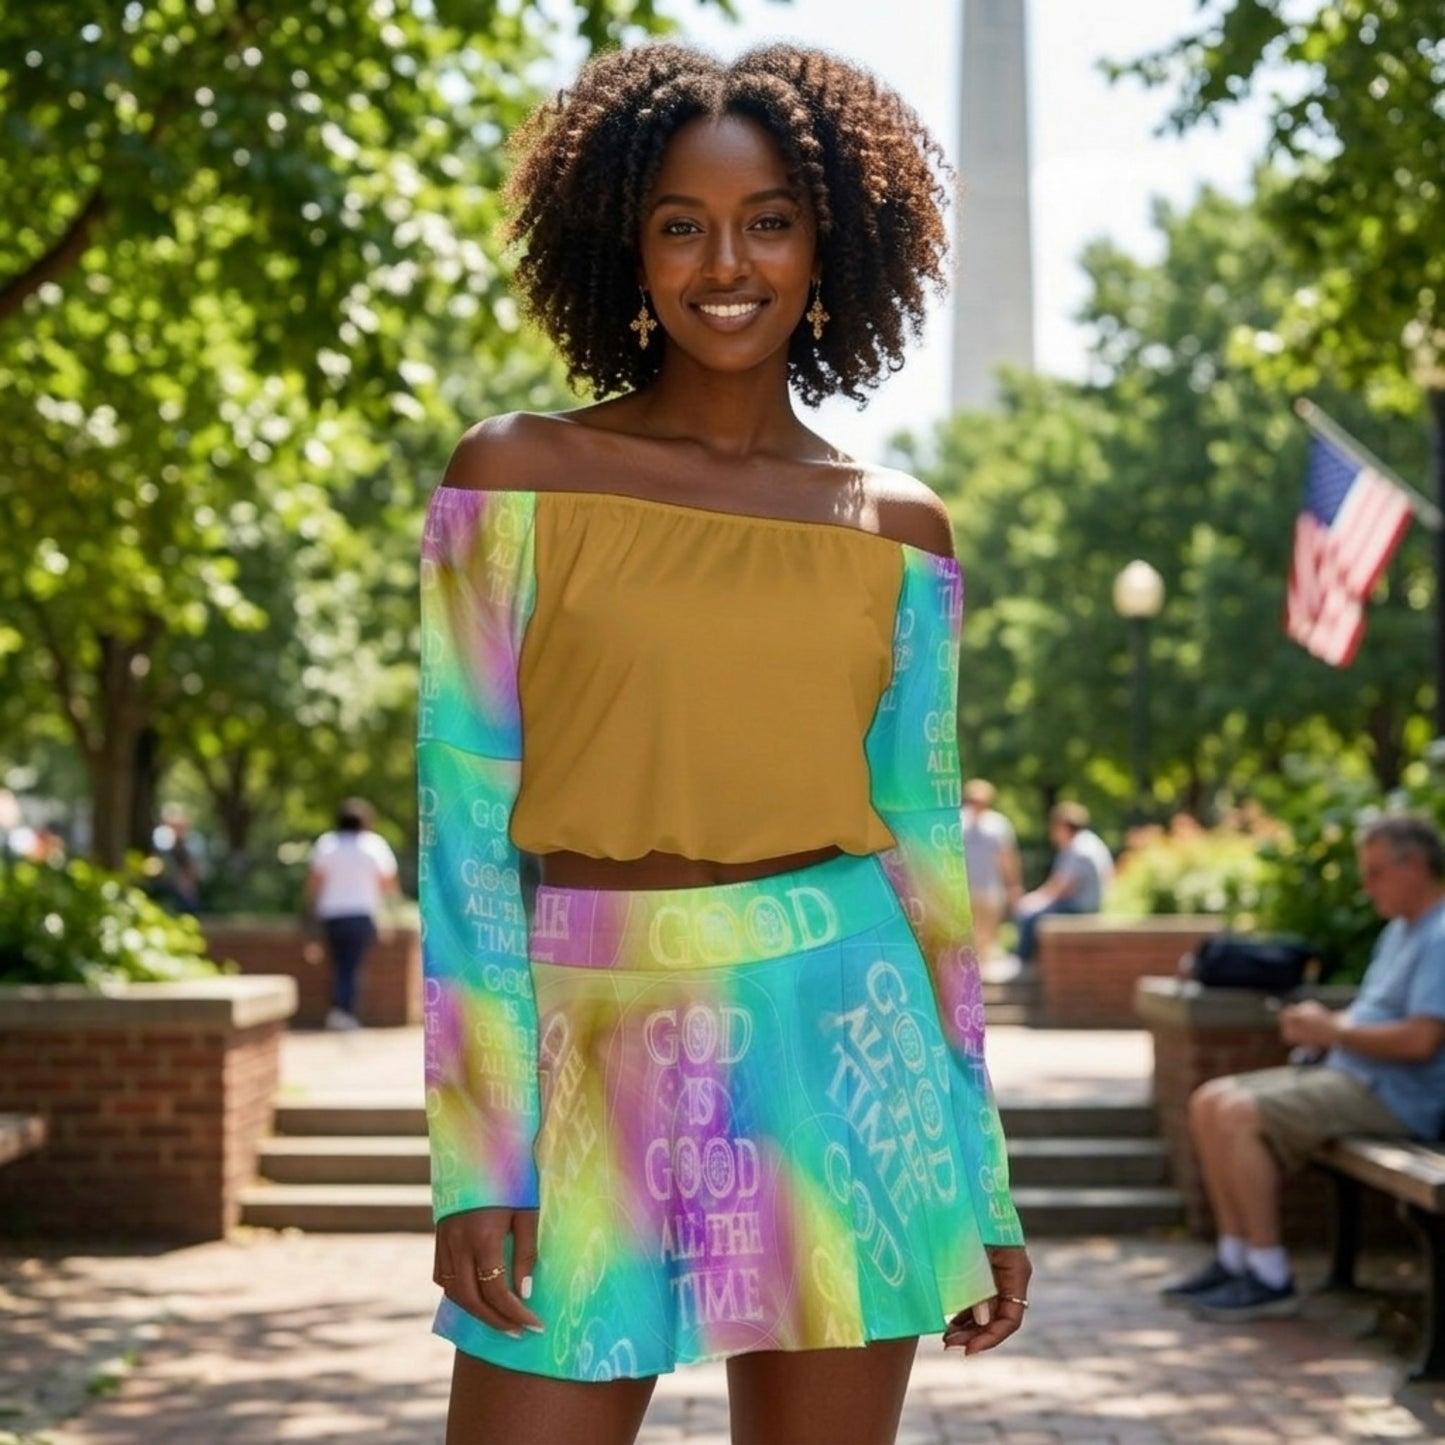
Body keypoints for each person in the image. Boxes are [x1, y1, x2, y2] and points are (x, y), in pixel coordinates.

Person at [417, 42, 1030, 1445]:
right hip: (591, 1035)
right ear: (623, 250)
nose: (723, 262)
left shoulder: (898, 529)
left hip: (846, 1034)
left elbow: (929, 870)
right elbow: (459, 851)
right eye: (678, 225)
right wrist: (477, 1160)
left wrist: (981, 1185)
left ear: (831, 245)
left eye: (768, 220)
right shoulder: (512, 475)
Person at [1163, 814, 1445, 1321]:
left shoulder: (1440, 935)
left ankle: (1270, 1274)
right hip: (1350, 1075)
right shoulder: (1401, 931)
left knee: (1238, 1113)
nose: (1367, 885)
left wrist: (1332, 1032)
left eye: (1376, 871)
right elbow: (1376, 1017)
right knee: (1208, 1101)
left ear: (1417, 866)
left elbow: (1422, 1040)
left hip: (1395, 1096)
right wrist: (1323, 1031)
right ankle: (1237, 1259)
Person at [305, 798, 399, 1031]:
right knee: (353, 965)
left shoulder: (327, 844)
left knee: (338, 964)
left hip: (332, 914)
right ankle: (345, 1011)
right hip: (361, 913)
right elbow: (389, 883)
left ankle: (339, 1009)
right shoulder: (373, 845)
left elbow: (314, 883)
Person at [1013, 802, 1113, 965]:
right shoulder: (1086, 842)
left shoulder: (1079, 849)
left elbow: (1064, 887)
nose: (1052, 833)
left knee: (1029, 916)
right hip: (1085, 905)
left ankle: (1024, 963)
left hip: (1080, 909)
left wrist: (1033, 900)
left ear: (1063, 826)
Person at [962, 779, 1022, 962]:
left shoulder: (998, 824)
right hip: (963, 888)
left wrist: (1014, 885)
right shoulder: (957, 820)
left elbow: (1007, 857)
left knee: (988, 932)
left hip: (990, 887)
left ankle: (983, 970)